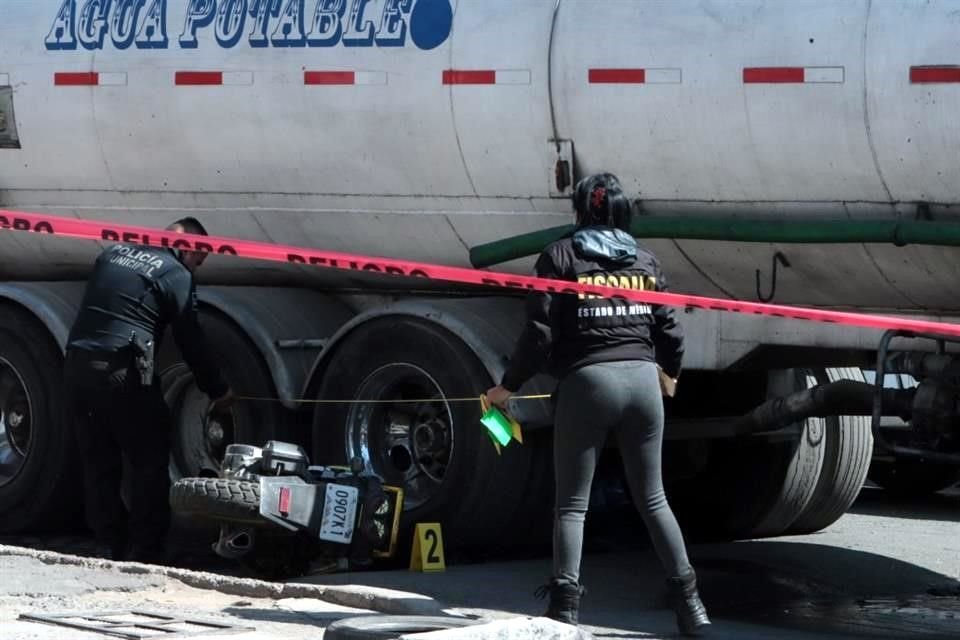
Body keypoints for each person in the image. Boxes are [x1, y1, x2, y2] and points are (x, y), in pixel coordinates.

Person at [486, 173, 710, 636]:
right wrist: (670, 373)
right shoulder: (645, 259)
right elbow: (670, 329)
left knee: (572, 505)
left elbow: (538, 333)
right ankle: (693, 608)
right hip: (644, 384)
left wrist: (507, 387)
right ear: (623, 213)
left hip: (588, 384)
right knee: (653, 499)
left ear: (579, 213)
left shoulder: (561, 255)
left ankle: (564, 615)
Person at [63, 217, 234, 564]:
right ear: (188, 245)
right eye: (198, 259)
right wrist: (217, 389)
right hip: (123, 370)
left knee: (99, 460)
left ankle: (107, 545)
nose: (195, 268)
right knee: (149, 459)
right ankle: (147, 551)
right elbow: (191, 340)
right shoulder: (175, 273)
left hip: (78, 365)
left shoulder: (112, 252)